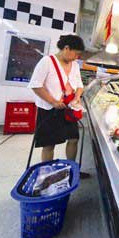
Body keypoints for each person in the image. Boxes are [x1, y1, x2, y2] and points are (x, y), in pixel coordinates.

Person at [28, 34, 89, 179]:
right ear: (66, 48)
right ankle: (47, 176)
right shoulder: (47, 62)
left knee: (73, 139)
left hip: (69, 109)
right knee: (49, 144)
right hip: (50, 110)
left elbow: (79, 85)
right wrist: (53, 102)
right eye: (76, 53)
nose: (77, 58)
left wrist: (77, 98)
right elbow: (36, 85)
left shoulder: (74, 65)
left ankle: (71, 170)